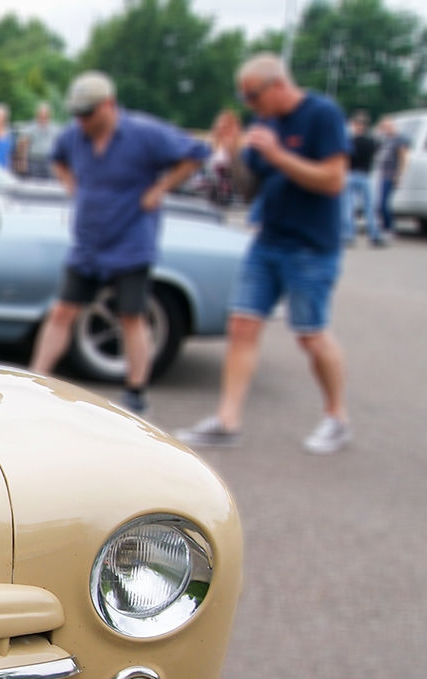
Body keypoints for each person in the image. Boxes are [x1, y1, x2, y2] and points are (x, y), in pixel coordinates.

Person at [177, 54, 351, 455]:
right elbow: (248, 188)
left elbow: (333, 179)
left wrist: (278, 156)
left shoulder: (322, 115)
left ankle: (337, 417)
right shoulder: (265, 124)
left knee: (310, 335)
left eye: (253, 95)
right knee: (242, 325)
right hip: (267, 240)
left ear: (277, 85)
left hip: (310, 246)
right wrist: (232, 151)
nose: (250, 104)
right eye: (244, 97)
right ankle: (227, 420)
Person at [28, 71, 207, 415]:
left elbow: (195, 153)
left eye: (88, 113)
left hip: (130, 240)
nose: (82, 121)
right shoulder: (74, 137)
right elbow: (58, 158)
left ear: (108, 105)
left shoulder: (144, 134)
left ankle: (136, 391)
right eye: (77, 114)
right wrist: (71, 185)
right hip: (88, 241)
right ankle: (38, 380)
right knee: (63, 310)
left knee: (131, 316)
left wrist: (160, 189)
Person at [342, 110, 381, 246]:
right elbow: (376, 153)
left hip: (350, 173)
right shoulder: (372, 141)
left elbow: (344, 158)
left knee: (348, 207)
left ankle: (348, 236)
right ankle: (374, 235)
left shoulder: (349, 141)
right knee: (369, 207)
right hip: (365, 174)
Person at [375, 116, 410, 238]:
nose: (386, 129)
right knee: (381, 202)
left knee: (384, 203)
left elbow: (404, 158)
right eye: (384, 127)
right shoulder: (386, 139)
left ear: (393, 126)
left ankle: (388, 228)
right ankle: (385, 227)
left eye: (388, 126)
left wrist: (399, 175)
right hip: (383, 174)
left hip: (391, 175)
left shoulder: (400, 139)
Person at [21, 102, 58, 179]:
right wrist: (24, 162)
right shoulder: (31, 127)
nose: (43, 116)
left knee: (50, 184)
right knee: (35, 183)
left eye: (45, 114)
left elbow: (57, 146)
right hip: (34, 160)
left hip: (49, 161)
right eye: (41, 114)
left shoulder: (55, 128)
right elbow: (24, 146)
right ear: (37, 114)